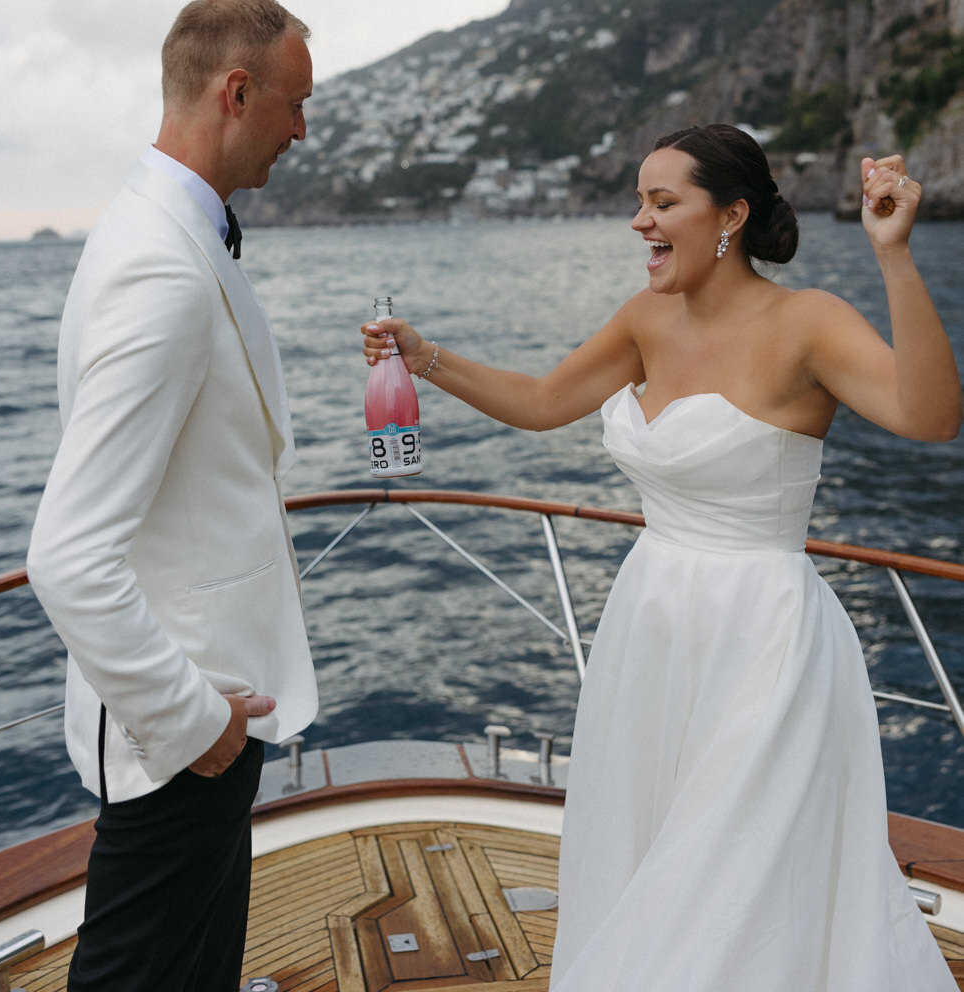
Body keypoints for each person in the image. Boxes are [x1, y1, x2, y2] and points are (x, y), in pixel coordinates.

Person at [362, 124, 962, 992]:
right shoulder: (644, 319)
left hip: (764, 641)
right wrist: (426, 358)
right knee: (648, 849)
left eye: (661, 201)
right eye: (639, 201)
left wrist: (893, 255)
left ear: (730, 215)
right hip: (648, 628)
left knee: (731, 873)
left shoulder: (809, 324)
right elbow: (542, 402)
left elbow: (931, 415)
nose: (639, 220)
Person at [28, 0, 319, 992]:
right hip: (179, 725)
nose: (301, 127)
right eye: (293, 101)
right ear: (236, 91)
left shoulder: (173, 232)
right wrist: (199, 726)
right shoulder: (161, 264)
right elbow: (66, 555)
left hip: (211, 704)